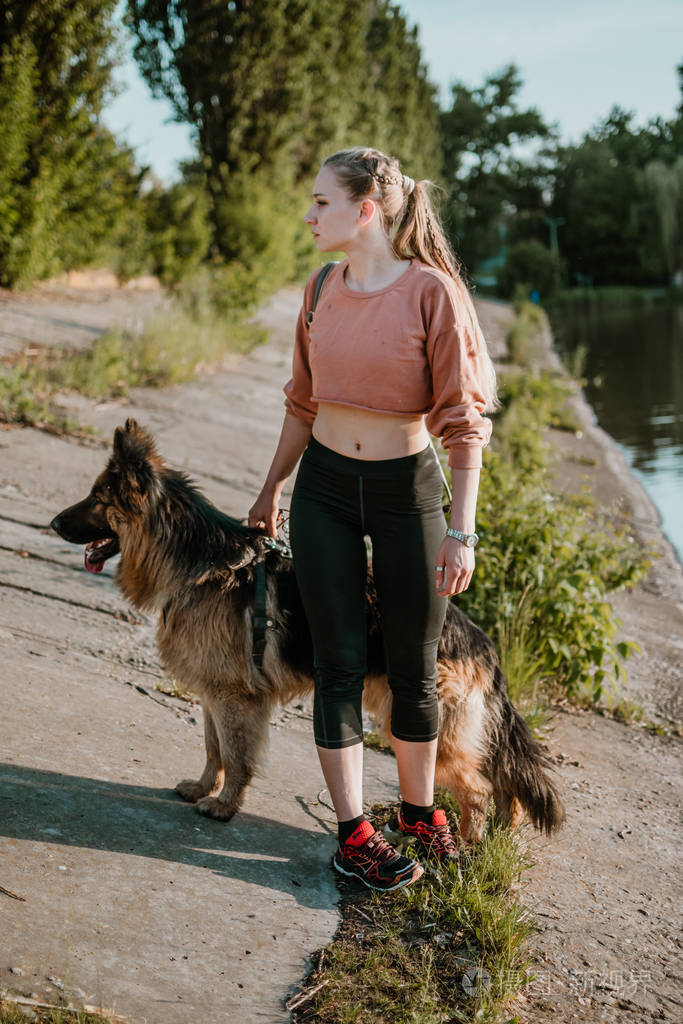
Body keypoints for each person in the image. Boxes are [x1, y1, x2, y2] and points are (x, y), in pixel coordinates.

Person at [249, 146, 497, 891]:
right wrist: (271, 489)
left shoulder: (431, 293)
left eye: (320, 201)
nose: (308, 214)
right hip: (324, 489)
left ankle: (418, 813)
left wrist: (461, 531)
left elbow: (463, 422)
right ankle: (355, 834)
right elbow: (302, 403)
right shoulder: (319, 288)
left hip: (405, 492)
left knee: (414, 667)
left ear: (365, 210)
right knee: (338, 663)